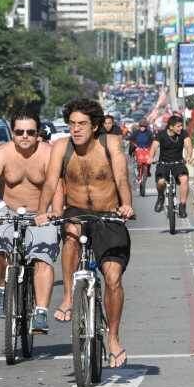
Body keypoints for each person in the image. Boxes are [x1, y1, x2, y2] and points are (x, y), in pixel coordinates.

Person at [37, 98, 134, 367]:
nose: (76, 129)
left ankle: (113, 338)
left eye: (82, 124)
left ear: (95, 126)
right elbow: (50, 181)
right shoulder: (61, 147)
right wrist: (42, 211)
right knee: (70, 234)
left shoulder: (110, 144)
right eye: (72, 124)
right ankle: (69, 297)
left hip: (109, 215)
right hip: (77, 211)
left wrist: (126, 205)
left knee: (113, 278)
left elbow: (121, 177)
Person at [0, 112, 60, 334]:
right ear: (13, 133)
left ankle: (40, 312)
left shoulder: (48, 153)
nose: (25, 136)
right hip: (9, 210)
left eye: (30, 132)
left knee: (42, 258)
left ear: (38, 134)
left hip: (42, 212)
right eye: (20, 132)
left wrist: (55, 212)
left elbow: (57, 186)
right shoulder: (2, 153)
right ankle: (3, 289)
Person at [150, 114, 192, 218]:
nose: (180, 128)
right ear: (171, 127)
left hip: (178, 163)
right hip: (164, 163)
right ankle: (161, 197)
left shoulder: (183, 133)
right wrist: (151, 157)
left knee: (184, 179)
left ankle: (182, 206)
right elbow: (154, 147)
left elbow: (188, 145)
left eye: (181, 126)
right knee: (161, 182)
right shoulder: (161, 134)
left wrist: (189, 156)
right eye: (178, 126)